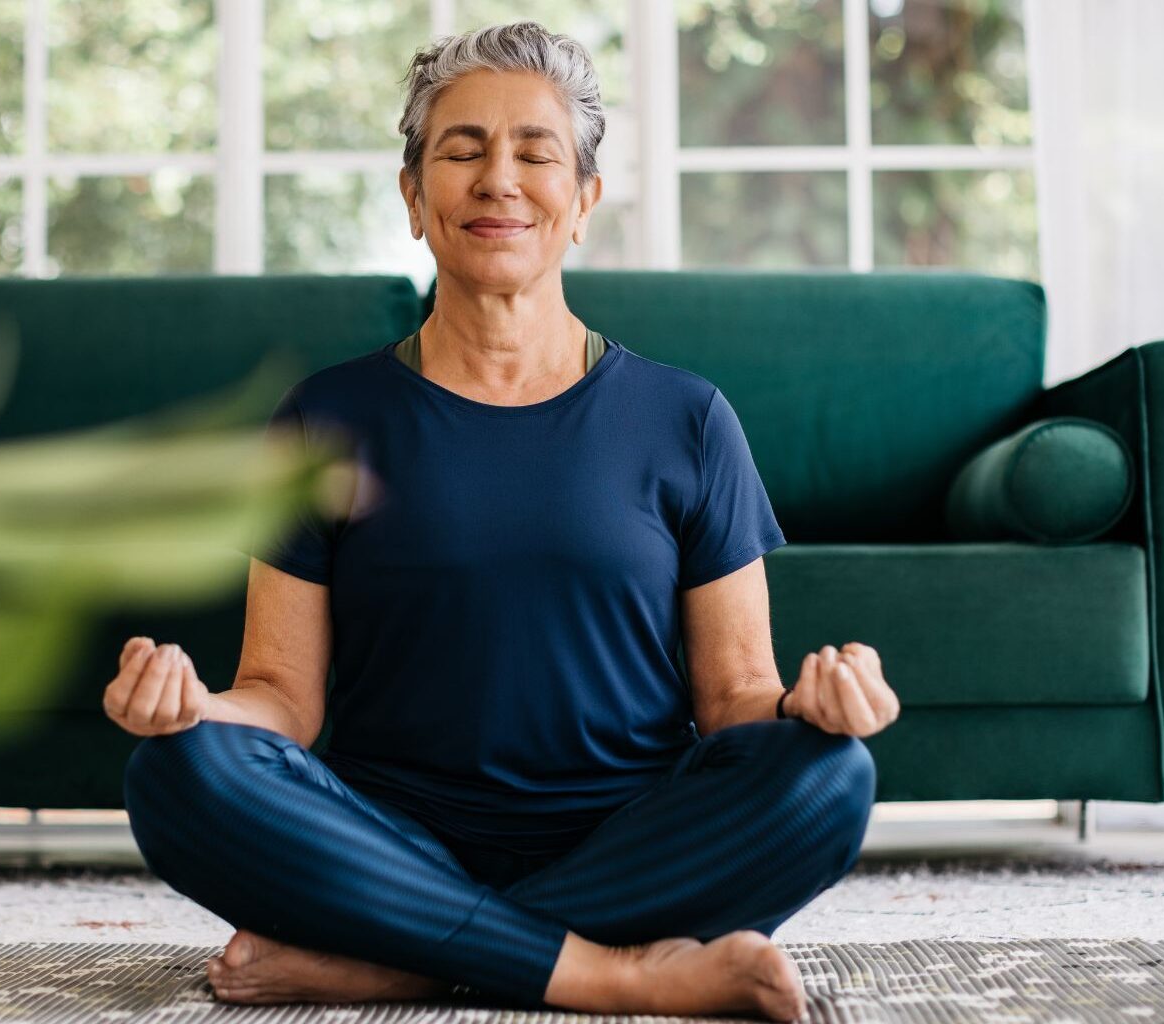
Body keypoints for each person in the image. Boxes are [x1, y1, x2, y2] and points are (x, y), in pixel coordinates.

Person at [107, 20, 899, 1022]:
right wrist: (191, 711)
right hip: (386, 839)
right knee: (176, 773)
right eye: (463, 150)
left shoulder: (687, 417)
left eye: (535, 152)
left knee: (831, 777)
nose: (500, 180)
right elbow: (280, 700)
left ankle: (409, 957)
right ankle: (610, 973)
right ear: (412, 195)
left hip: (631, 838)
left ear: (583, 201)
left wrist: (811, 708)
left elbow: (738, 697)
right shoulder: (326, 417)